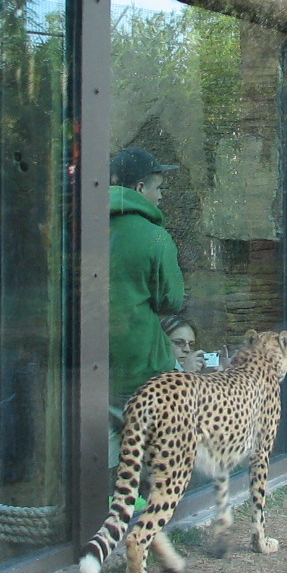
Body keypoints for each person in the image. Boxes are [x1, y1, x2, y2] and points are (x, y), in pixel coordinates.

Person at [108, 147, 185, 454]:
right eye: (159, 188)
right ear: (140, 188)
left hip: (90, 362)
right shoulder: (154, 237)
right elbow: (172, 299)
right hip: (141, 362)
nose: (161, 197)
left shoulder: (79, 225)